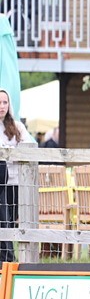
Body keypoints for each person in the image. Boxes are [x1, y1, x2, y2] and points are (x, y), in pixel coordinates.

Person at [0, 88, 33, 263]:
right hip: (1, 181)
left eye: (5, 102)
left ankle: (7, 258)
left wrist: (11, 153)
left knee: (10, 222)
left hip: (15, 180)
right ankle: (6, 258)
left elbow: (28, 145)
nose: (2, 106)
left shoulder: (17, 126)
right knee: (3, 220)